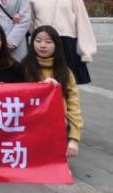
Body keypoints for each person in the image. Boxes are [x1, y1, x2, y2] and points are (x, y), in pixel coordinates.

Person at [28, 0, 96, 84]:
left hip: (67, 45)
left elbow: (82, 21)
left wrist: (86, 51)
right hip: (43, 46)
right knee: (43, 86)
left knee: (69, 88)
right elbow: (30, 24)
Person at [22, 25, 82, 158]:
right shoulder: (23, 68)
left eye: (48, 42)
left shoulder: (65, 72)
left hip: (57, 125)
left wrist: (74, 138)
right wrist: (39, 88)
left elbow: (74, 106)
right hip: (28, 125)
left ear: (56, 45)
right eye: (38, 41)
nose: (43, 45)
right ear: (32, 43)